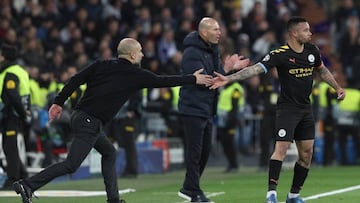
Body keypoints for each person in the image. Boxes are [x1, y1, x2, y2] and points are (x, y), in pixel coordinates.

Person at [12, 38, 213, 203]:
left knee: (109, 152)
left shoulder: (101, 64)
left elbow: (75, 79)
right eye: (141, 51)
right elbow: (164, 81)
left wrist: (58, 103)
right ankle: (27, 185)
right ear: (133, 55)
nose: (142, 55)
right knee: (71, 164)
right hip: (89, 122)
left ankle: (114, 200)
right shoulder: (136, 74)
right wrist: (192, 79)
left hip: (81, 118)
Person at [210, 16, 346, 203]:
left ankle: (293, 195)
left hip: (306, 109)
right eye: (306, 30)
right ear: (293, 33)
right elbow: (256, 69)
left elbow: (322, 70)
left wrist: (337, 87)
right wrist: (229, 78)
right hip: (287, 109)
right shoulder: (279, 54)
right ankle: (271, 194)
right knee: (280, 148)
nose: (310, 33)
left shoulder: (312, 51)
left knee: (307, 154)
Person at [177, 17, 249, 203]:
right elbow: (201, 80)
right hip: (193, 108)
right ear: (204, 32)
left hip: (207, 109)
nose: (219, 33)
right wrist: (220, 74)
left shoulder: (213, 49)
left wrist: (228, 68)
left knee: (204, 152)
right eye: (215, 29)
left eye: (219, 29)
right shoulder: (192, 52)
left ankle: (189, 187)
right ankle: (194, 192)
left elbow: (217, 77)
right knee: (195, 153)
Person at [0, 43, 31, 190]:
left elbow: (13, 95)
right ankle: (23, 174)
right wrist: (26, 110)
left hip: (11, 115)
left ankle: (12, 179)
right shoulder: (21, 71)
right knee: (9, 145)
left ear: (4, 56)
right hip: (15, 114)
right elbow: (26, 93)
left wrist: (23, 113)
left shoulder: (9, 73)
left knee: (10, 146)